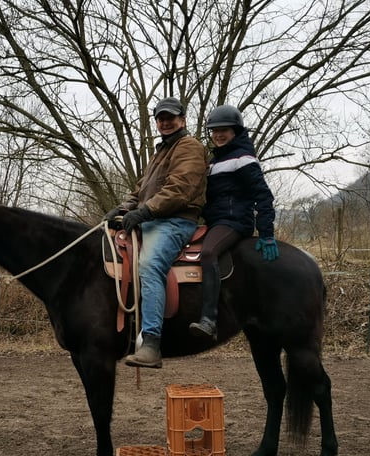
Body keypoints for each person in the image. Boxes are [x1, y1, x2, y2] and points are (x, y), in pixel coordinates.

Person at [105, 97, 207, 368]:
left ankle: (151, 342)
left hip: (174, 221)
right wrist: (122, 208)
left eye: (170, 117)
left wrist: (145, 211)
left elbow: (180, 189)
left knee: (150, 265)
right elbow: (140, 190)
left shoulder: (190, 147)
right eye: (161, 118)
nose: (165, 122)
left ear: (183, 120)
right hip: (151, 218)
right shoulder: (160, 151)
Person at [188, 104, 278, 341]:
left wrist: (266, 233)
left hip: (235, 221)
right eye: (214, 130)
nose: (218, 135)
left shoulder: (243, 158)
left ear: (235, 131)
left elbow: (263, 196)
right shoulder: (214, 162)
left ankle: (209, 319)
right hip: (215, 221)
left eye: (224, 130)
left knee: (208, 253)